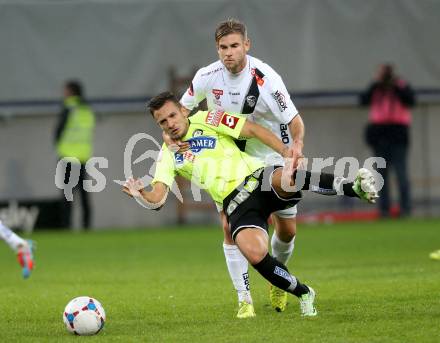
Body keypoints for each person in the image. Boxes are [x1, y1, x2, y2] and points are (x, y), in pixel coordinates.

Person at [122, 92, 378, 317]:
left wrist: (287, 153)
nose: (170, 124)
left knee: (287, 179)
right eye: (163, 122)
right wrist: (139, 194)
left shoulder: (209, 119)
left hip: (256, 176)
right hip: (235, 203)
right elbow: (158, 198)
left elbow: (252, 130)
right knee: (254, 254)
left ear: (182, 110)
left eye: (172, 116)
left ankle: (351, 187)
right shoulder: (167, 155)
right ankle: (304, 293)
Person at [176, 18, 305, 317]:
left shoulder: (267, 78)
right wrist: (173, 138)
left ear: (247, 45)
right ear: (217, 48)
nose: (228, 53)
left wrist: (296, 145)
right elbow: (180, 111)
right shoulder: (207, 76)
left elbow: (295, 121)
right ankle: (244, 300)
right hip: (232, 158)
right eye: (223, 47)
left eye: (235, 46)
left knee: (286, 229)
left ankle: (278, 277)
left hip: (271, 151)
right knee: (228, 225)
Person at [360, 64, 416, 218]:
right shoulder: (376, 88)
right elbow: (363, 100)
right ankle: (384, 209)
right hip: (379, 134)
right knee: (381, 175)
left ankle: (405, 209)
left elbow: (410, 100)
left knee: (400, 173)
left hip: (397, 133)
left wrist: (396, 85)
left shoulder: (400, 86)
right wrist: (375, 83)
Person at [54, 80, 95, 229]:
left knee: (67, 194)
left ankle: (66, 226)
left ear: (71, 92)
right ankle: (87, 226)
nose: (63, 94)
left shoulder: (68, 108)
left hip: (67, 155)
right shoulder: (87, 109)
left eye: (65, 91)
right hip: (83, 156)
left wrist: (58, 146)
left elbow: (58, 131)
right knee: (84, 194)